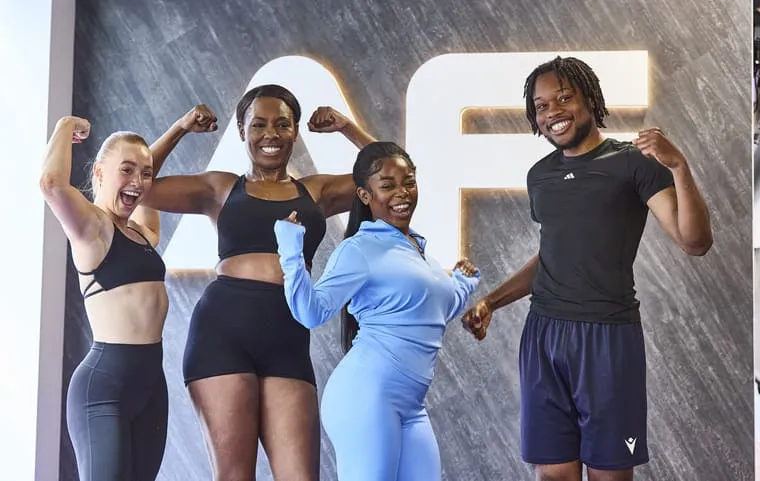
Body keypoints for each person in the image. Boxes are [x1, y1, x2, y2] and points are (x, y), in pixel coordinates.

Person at [462, 56, 713, 481]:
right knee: (554, 474)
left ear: (590, 100)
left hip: (606, 338)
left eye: (564, 97)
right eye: (541, 106)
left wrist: (678, 166)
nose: (552, 112)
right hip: (544, 337)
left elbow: (695, 242)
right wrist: (491, 300)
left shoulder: (634, 163)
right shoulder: (540, 176)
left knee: (608, 475)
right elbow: (553, 254)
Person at [141, 85, 377, 481]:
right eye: (259, 124)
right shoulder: (219, 188)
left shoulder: (315, 192)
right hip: (222, 334)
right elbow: (139, 182)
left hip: (286, 336)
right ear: (241, 130)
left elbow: (389, 173)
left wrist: (346, 127)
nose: (271, 134)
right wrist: (180, 128)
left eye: (282, 124)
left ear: (295, 131)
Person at [273, 141, 480, 481]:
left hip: (411, 406)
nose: (402, 193)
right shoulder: (360, 248)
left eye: (409, 181)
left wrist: (461, 284)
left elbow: (428, 313)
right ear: (365, 196)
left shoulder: (419, 252)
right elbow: (311, 313)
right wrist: (291, 251)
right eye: (387, 185)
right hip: (366, 396)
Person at [38, 108, 214, 481]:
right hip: (104, 389)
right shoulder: (91, 229)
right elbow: (51, 183)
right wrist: (65, 126)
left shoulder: (140, 233)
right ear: (99, 172)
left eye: (144, 173)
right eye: (126, 170)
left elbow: (146, 178)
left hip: (151, 385)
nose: (137, 181)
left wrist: (179, 129)